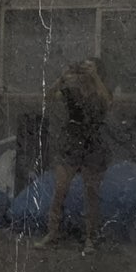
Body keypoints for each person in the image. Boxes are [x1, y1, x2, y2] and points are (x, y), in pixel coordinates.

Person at [36, 58, 111, 254]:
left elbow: (107, 103)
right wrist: (62, 78)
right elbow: (47, 98)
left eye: (90, 67)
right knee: (60, 188)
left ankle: (90, 238)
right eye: (84, 67)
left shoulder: (101, 89)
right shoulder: (71, 91)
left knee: (91, 192)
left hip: (93, 142)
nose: (85, 71)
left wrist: (95, 78)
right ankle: (53, 233)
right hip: (71, 140)